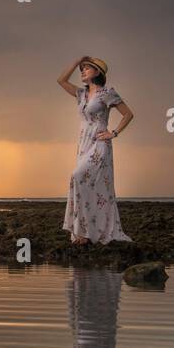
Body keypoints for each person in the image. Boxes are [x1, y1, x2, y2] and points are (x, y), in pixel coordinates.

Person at [56, 56, 134, 244]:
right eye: (81, 69)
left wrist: (113, 133)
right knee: (87, 184)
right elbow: (61, 81)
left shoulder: (107, 93)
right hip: (84, 144)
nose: (83, 71)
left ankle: (85, 231)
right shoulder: (81, 94)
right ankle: (83, 231)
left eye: (87, 68)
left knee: (77, 176)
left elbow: (128, 114)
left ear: (98, 72)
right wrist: (76, 62)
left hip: (99, 144)